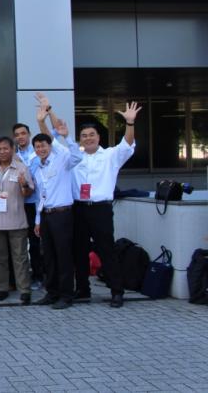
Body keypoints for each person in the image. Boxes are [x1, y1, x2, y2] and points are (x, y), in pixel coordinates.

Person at [72, 102, 141, 308]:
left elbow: (127, 145)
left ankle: (116, 291)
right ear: (80, 139)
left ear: (98, 137)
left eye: (91, 134)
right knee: (79, 251)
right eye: (84, 135)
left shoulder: (110, 155)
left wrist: (129, 123)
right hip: (79, 208)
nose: (88, 138)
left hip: (100, 208)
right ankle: (83, 289)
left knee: (106, 250)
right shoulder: (75, 158)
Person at [29, 94, 83, 309]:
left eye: (44, 145)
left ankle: (66, 295)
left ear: (50, 146)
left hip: (63, 214)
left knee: (63, 256)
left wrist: (47, 117)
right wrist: (37, 219)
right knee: (48, 256)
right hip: (47, 215)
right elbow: (41, 197)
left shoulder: (61, 159)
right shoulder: (39, 167)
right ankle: (51, 293)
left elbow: (77, 157)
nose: (41, 148)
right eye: (38, 147)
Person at [0, 136, 35, 305]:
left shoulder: (21, 168)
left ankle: (25, 290)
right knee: (0, 258)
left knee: (20, 257)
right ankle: (2, 289)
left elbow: (28, 193)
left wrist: (24, 184)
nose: (2, 152)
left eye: (5, 148)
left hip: (16, 220)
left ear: (12, 150)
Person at [13, 122, 43, 290]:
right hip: (18, 204)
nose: (20, 137)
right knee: (19, 243)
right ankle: (22, 277)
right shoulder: (14, 157)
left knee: (35, 242)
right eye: (17, 134)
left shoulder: (37, 154)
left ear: (29, 134)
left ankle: (38, 276)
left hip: (35, 204)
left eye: (23, 133)